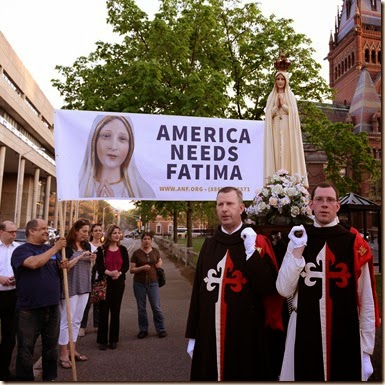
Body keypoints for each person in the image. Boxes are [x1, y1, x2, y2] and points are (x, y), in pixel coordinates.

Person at [276, 182, 380, 381]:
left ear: (337, 206)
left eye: (330, 200)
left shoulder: (354, 242)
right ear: (311, 205)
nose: (324, 204)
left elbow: (366, 298)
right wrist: (297, 252)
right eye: (319, 200)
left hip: (345, 329)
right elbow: (283, 289)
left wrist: (366, 350)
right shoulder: (299, 238)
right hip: (304, 329)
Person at [185, 186, 284, 381]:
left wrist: (251, 254)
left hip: (247, 333)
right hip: (209, 332)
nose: (224, 209)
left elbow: (269, 288)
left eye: (230, 204)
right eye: (220, 204)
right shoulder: (209, 245)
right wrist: (193, 334)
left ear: (241, 208)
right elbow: (198, 292)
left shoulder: (258, 243)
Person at [11, 219, 67, 381]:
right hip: (30, 310)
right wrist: (56, 248)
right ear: (31, 231)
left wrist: (64, 265)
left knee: (51, 348)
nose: (46, 231)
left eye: (47, 229)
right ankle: (24, 380)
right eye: (42, 229)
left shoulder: (50, 249)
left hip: (52, 307)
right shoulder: (21, 251)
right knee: (26, 349)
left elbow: (56, 271)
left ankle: (49, 378)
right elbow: (34, 264)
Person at [78, 114, 155, 198]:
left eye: (122, 139)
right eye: (106, 136)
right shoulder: (77, 187)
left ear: (130, 146)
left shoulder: (144, 192)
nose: (113, 147)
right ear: (94, 140)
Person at [58, 219, 96, 369]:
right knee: (66, 320)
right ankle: (63, 353)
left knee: (77, 321)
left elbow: (89, 265)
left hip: (84, 285)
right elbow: (65, 267)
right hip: (70, 287)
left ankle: (72, 350)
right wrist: (80, 257)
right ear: (76, 231)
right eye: (84, 231)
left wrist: (92, 258)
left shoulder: (87, 245)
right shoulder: (67, 246)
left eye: (88, 232)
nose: (87, 235)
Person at [264, 70, 308, 186]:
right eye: (278, 79)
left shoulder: (290, 95)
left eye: (282, 79)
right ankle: (275, 178)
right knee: (277, 151)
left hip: (288, 128)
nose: (280, 81)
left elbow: (294, 113)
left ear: (286, 81)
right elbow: (268, 114)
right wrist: (276, 107)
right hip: (275, 128)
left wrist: (283, 105)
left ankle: (289, 178)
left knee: (287, 151)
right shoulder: (271, 96)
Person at [95, 224, 129, 350]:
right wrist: (109, 272)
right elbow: (98, 266)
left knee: (115, 311)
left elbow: (126, 266)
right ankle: (102, 341)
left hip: (119, 283)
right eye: (114, 233)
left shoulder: (123, 249)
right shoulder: (101, 250)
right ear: (109, 235)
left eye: (118, 233)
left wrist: (119, 273)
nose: (117, 235)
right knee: (103, 311)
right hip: (105, 283)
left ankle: (113, 339)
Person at [130, 232, 167, 339]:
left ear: (151, 240)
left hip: (153, 283)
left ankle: (161, 329)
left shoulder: (155, 251)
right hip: (139, 284)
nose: (146, 241)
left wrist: (159, 263)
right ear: (142, 240)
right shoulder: (136, 253)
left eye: (148, 239)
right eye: (144, 239)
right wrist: (141, 268)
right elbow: (132, 270)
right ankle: (143, 330)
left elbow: (159, 259)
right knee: (141, 308)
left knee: (156, 307)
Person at [0, 221, 19, 380]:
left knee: (9, 335)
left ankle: (3, 370)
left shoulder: (18, 249)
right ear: (1, 232)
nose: (14, 234)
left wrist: (16, 278)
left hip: (12, 295)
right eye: (11, 232)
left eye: (15, 232)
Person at [79, 223, 103, 337]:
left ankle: (97, 325)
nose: (98, 232)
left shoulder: (103, 246)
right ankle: (82, 326)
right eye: (96, 230)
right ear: (92, 233)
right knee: (86, 303)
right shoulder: (87, 245)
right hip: (88, 277)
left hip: (100, 277)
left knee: (98, 301)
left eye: (100, 230)